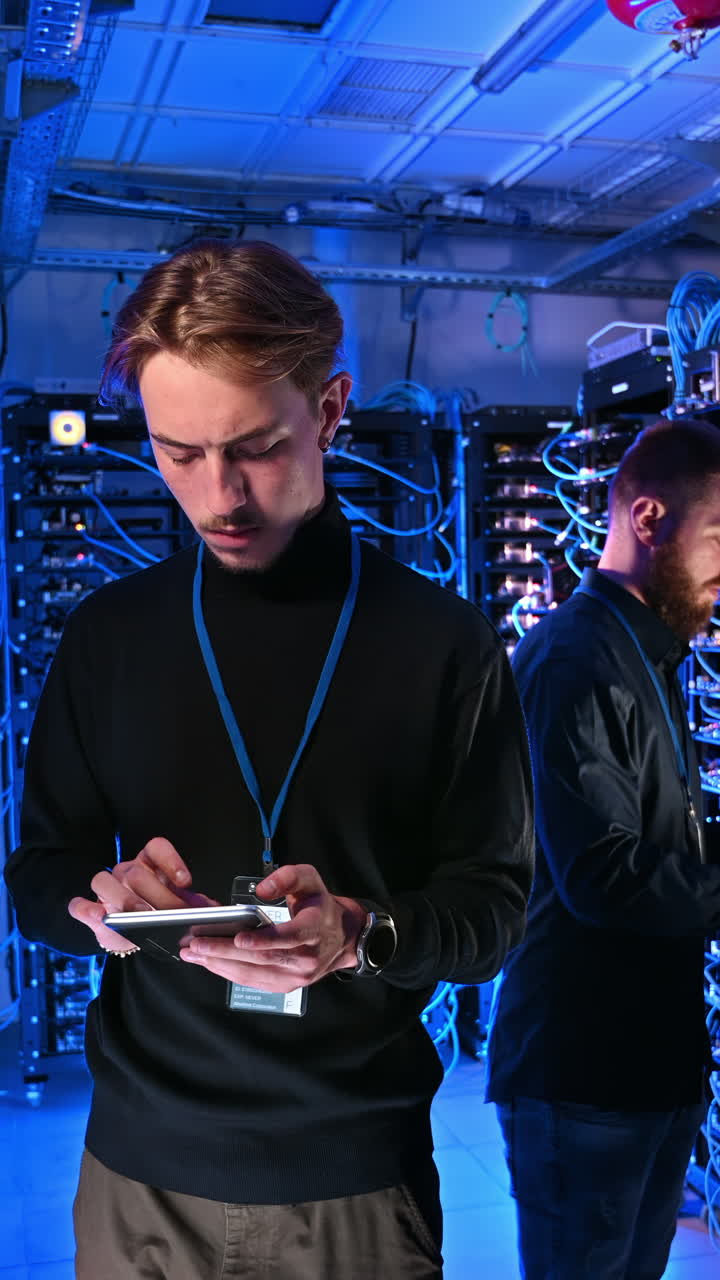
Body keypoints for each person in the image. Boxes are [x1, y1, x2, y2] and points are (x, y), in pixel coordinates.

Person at [5, 239, 534, 1280]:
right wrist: (97, 902)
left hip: (355, 1185)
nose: (218, 496)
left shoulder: (444, 644)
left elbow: (494, 910)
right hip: (142, 1176)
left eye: (254, 447)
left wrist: (363, 934)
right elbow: (37, 873)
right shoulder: (110, 638)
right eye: (178, 453)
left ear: (330, 410)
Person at [486, 417, 720, 1280]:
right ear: (650, 518)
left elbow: (669, 838)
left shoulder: (649, 655)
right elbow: (604, 877)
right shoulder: (575, 661)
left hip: (653, 1065)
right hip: (583, 1077)